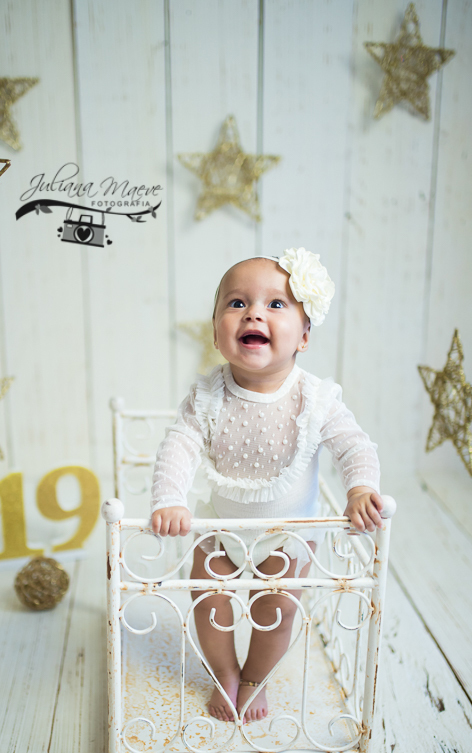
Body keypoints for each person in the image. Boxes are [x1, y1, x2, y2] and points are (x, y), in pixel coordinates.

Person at [150, 249, 382, 723]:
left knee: (276, 610)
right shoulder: (207, 396)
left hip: (288, 535)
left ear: (305, 336)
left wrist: (360, 489)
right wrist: (169, 499)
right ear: (217, 331)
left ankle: (255, 678)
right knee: (207, 596)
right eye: (236, 303)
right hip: (222, 529)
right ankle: (224, 671)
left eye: (276, 305)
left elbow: (354, 446)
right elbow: (179, 446)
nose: (254, 312)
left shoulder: (315, 400)